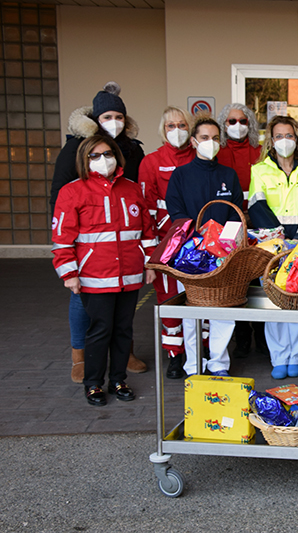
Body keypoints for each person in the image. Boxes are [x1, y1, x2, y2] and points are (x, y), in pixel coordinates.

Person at [49, 81, 147, 383]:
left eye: (119, 117)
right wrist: (68, 249)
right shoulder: (75, 149)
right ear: (95, 120)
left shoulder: (132, 150)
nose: (113, 122)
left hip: (123, 242)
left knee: (121, 313)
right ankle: (80, 354)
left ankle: (122, 354)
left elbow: (138, 199)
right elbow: (60, 197)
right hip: (89, 243)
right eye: (107, 117)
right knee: (83, 301)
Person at [51, 135, 157, 406]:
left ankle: (119, 379)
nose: (103, 160)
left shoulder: (132, 189)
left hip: (130, 275)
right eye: (95, 155)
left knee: (123, 330)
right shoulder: (72, 192)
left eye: (108, 153)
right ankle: (94, 383)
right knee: (99, 331)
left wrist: (149, 264)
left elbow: (147, 231)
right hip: (94, 277)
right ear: (84, 160)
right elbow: (62, 239)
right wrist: (69, 274)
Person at [165, 116, 244, 378]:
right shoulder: (181, 175)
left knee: (224, 309)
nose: (210, 143)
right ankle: (194, 366)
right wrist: (197, 243)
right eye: (205, 138)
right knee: (193, 312)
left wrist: (224, 244)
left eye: (215, 138)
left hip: (223, 254)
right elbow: (175, 211)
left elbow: (236, 213)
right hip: (190, 255)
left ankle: (219, 364)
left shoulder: (228, 175)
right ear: (193, 141)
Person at [248, 115, 298, 379]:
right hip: (272, 245)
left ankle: (295, 356)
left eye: (289, 135)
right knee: (273, 301)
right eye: (279, 136)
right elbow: (256, 206)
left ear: (297, 138)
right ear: (271, 140)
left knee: (297, 300)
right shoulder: (259, 170)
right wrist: (278, 237)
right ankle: (279, 357)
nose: (284, 141)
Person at [139, 106, 195, 380]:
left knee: (201, 299)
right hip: (166, 244)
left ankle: (201, 351)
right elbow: (145, 211)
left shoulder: (199, 156)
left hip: (198, 244)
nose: (177, 131)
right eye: (171, 126)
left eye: (182, 125)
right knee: (169, 300)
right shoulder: (151, 162)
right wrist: (151, 254)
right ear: (163, 130)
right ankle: (176, 355)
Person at [216, 103, 268, 359]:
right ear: (223, 125)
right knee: (236, 281)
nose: (238, 126)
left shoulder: (260, 152)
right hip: (230, 225)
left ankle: (261, 335)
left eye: (243, 121)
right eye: (231, 121)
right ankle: (242, 338)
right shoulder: (219, 153)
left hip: (258, 224)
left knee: (260, 278)